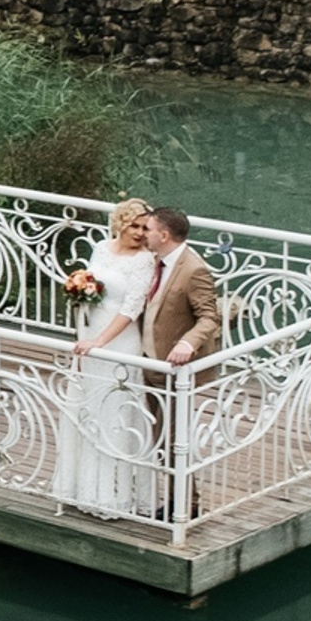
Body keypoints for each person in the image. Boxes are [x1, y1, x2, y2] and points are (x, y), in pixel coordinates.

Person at [52, 199, 159, 516]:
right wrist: (83, 325)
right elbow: (91, 288)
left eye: (145, 228)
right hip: (90, 335)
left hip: (119, 342)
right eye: (134, 226)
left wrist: (100, 341)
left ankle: (114, 495)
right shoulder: (100, 248)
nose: (139, 234)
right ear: (120, 224)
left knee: (115, 413)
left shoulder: (143, 261)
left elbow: (131, 308)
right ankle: (81, 487)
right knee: (87, 409)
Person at [140, 206, 222, 520]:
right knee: (159, 435)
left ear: (164, 235)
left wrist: (188, 342)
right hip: (151, 363)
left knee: (174, 440)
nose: (143, 234)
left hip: (175, 370)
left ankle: (186, 505)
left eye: (148, 229)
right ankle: (177, 499)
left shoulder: (193, 270)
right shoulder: (155, 261)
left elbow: (209, 317)